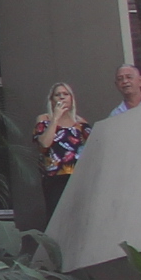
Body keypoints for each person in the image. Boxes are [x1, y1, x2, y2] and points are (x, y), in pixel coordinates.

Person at [35, 83, 90, 217]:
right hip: (55, 177)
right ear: (52, 100)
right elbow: (44, 143)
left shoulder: (80, 122)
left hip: (76, 176)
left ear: (71, 98)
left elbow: (93, 144)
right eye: (57, 95)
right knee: (56, 216)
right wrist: (55, 119)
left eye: (65, 94)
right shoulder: (44, 119)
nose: (62, 97)